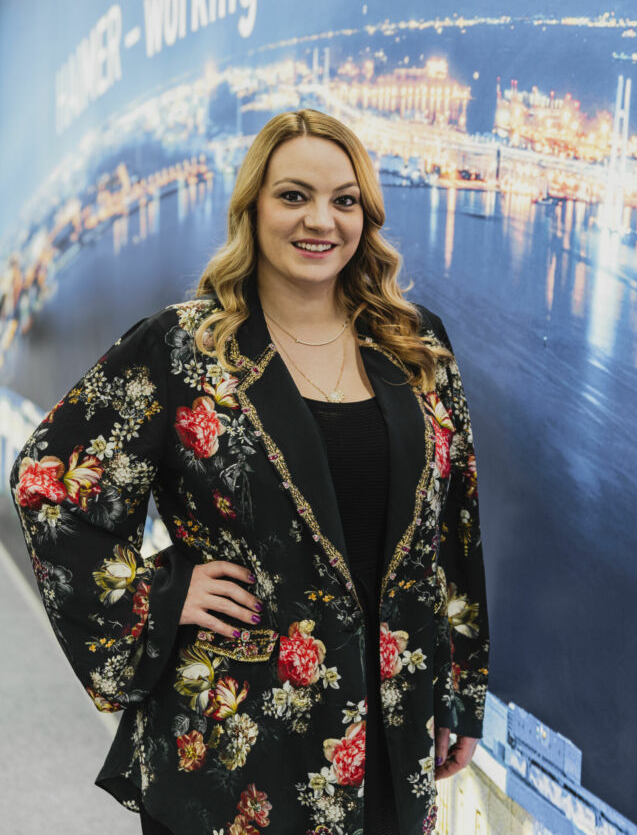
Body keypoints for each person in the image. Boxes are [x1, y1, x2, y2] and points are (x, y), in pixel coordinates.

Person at [9, 108, 490, 835]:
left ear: (365, 215)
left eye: (344, 200)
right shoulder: (183, 348)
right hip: (236, 739)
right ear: (252, 209)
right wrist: (160, 592)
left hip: (393, 728)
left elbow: (453, 529)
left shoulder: (413, 344)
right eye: (293, 195)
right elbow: (48, 483)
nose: (320, 220)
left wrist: (459, 689)